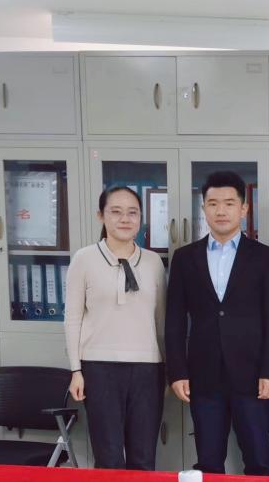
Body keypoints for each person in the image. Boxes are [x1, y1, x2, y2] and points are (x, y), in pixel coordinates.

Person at [164, 171, 269, 476]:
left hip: (253, 376)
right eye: (213, 203)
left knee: (258, 461)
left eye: (229, 203)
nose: (221, 211)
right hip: (203, 375)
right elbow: (175, 319)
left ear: (244, 209)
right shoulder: (185, 258)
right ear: (203, 208)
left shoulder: (264, 257)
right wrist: (177, 371)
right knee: (208, 463)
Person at [64, 186, 166, 470]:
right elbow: (72, 318)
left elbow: (161, 321)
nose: (125, 219)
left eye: (132, 212)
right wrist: (76, 370)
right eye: (116, 212)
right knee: (108, 456)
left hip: (147, 369)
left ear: (141, 218)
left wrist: (167, 370)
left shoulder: (154, 262)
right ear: (101, 216)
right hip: (99, 368)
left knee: (143, 457)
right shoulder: (84, 259)